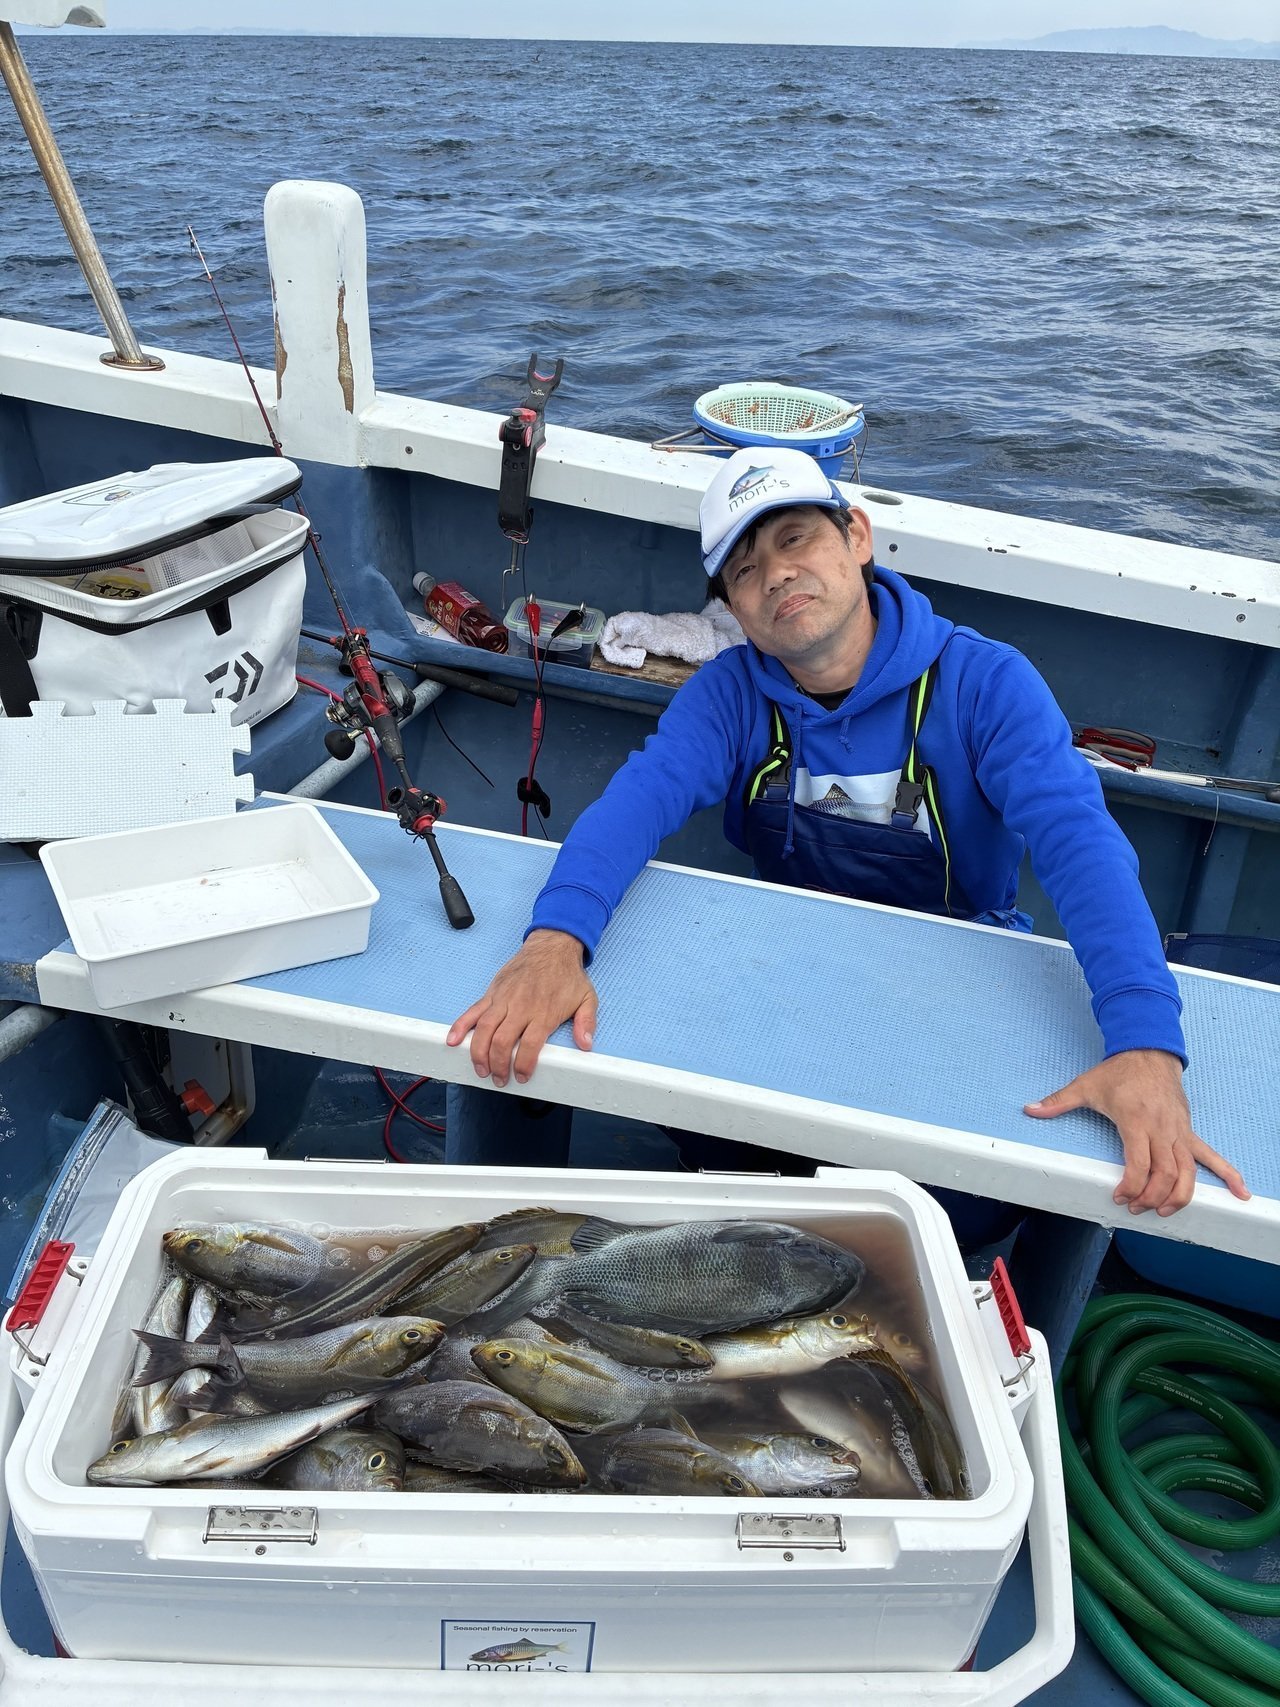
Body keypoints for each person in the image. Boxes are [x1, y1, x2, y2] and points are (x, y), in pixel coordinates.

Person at [447, 448, 1250, 1220]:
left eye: (795, 538)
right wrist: (554, 941)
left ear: (857, 537)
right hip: (782, 975)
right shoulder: (728, 694)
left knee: (975, 1201)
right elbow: (637, 802)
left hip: (959, 978)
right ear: (734, 607)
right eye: (744, 570)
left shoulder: (985, 683)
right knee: (710, 1133)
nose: (775, 575)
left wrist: (1145, 1042)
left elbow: (1082, 847)